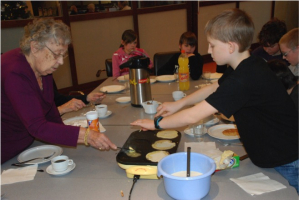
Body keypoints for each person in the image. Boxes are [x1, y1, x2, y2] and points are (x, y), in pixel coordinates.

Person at [131, 9, 298, 193]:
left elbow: (193, 116)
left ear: (230, 46)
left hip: (288, 159)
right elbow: (214, 87)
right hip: (271, 152)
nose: (208, 51)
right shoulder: (246, 65)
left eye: (212, 45)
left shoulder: (244, 78)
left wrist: (156, 123)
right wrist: (179, 103)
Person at [1, 18, 117, 164]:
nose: (61, 61)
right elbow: (37, 126)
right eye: (56, 54)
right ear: (35, 47)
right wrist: (87, 136)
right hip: (5, 150)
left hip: (26, 147)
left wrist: (65, 136)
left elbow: (50, 111)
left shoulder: (43, 67)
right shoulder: (15, 73)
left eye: (63, 55)